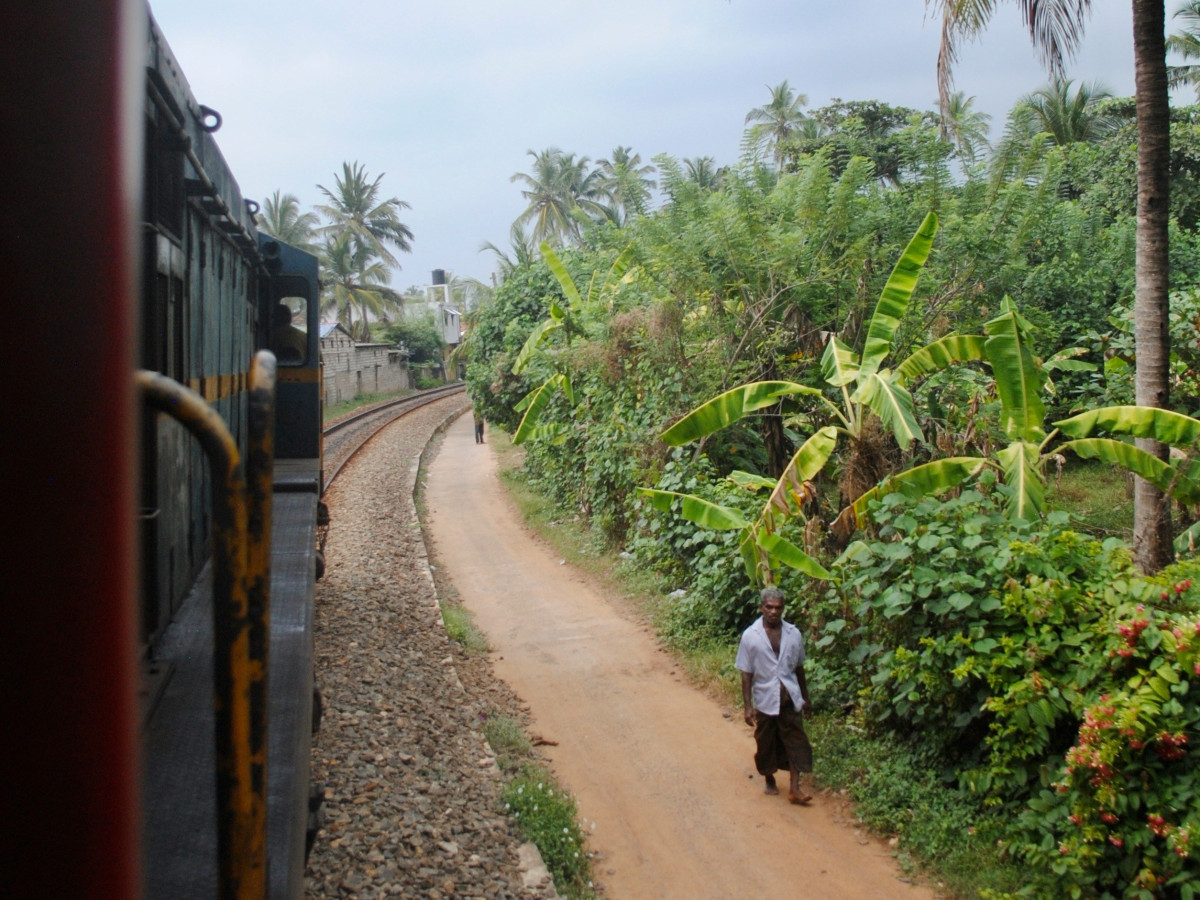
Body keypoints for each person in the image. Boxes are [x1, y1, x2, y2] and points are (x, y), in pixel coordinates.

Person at [735, 585, 814, 804]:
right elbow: (746, 673)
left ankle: (795, 788)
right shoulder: (751, 636)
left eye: (778, 608)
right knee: (766, 742)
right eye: (769, 607)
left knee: (796, 741)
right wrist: (748, 706)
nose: (773, 612)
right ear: (761, 608)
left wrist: (805, 698)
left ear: (783, 609)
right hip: (765, 699)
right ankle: (769, 778)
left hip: (789, 697)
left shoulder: (793, 634)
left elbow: (799, 668)